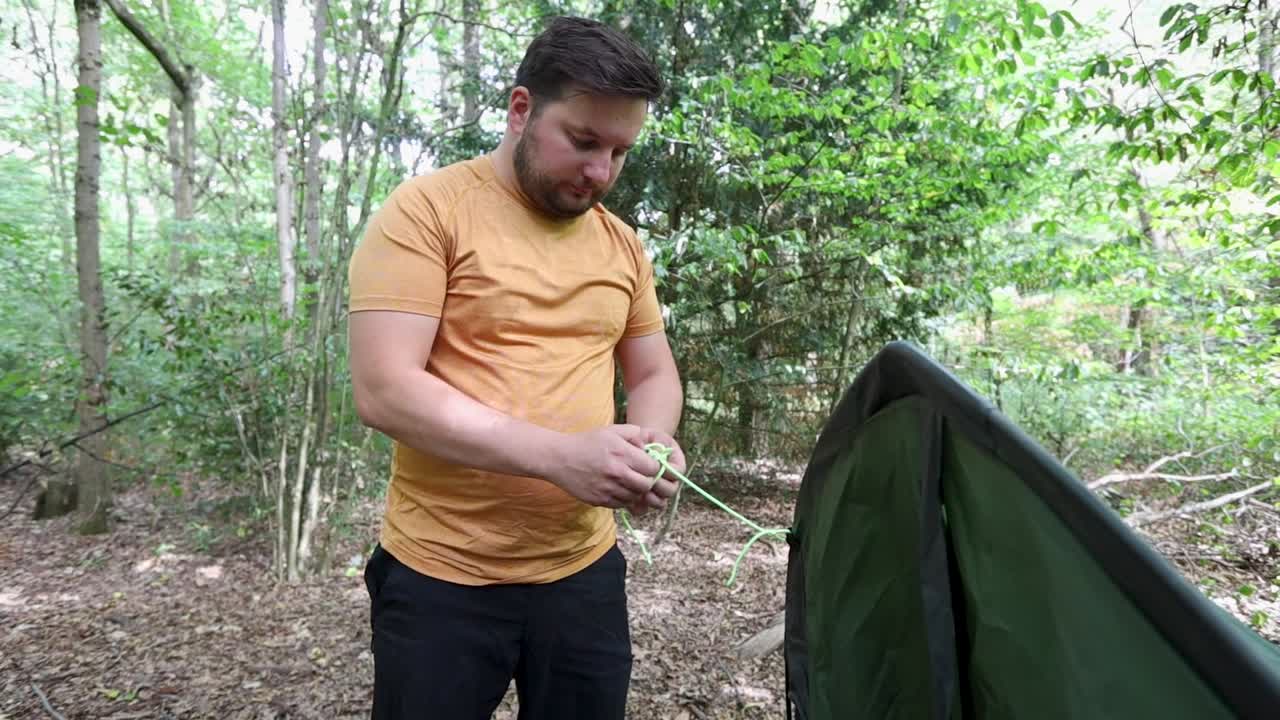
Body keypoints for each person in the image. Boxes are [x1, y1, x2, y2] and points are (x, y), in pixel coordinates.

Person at [346, 15, 686, 720]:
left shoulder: (621, 246)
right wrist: (561, 458)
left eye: (621, 152)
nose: (601, 172)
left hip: (584, 576)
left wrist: (650, 444)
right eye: (585, 142)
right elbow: (385, 390)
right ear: (521, 108)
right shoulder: (428, 213)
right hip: (441, 579)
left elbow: (653, 374)